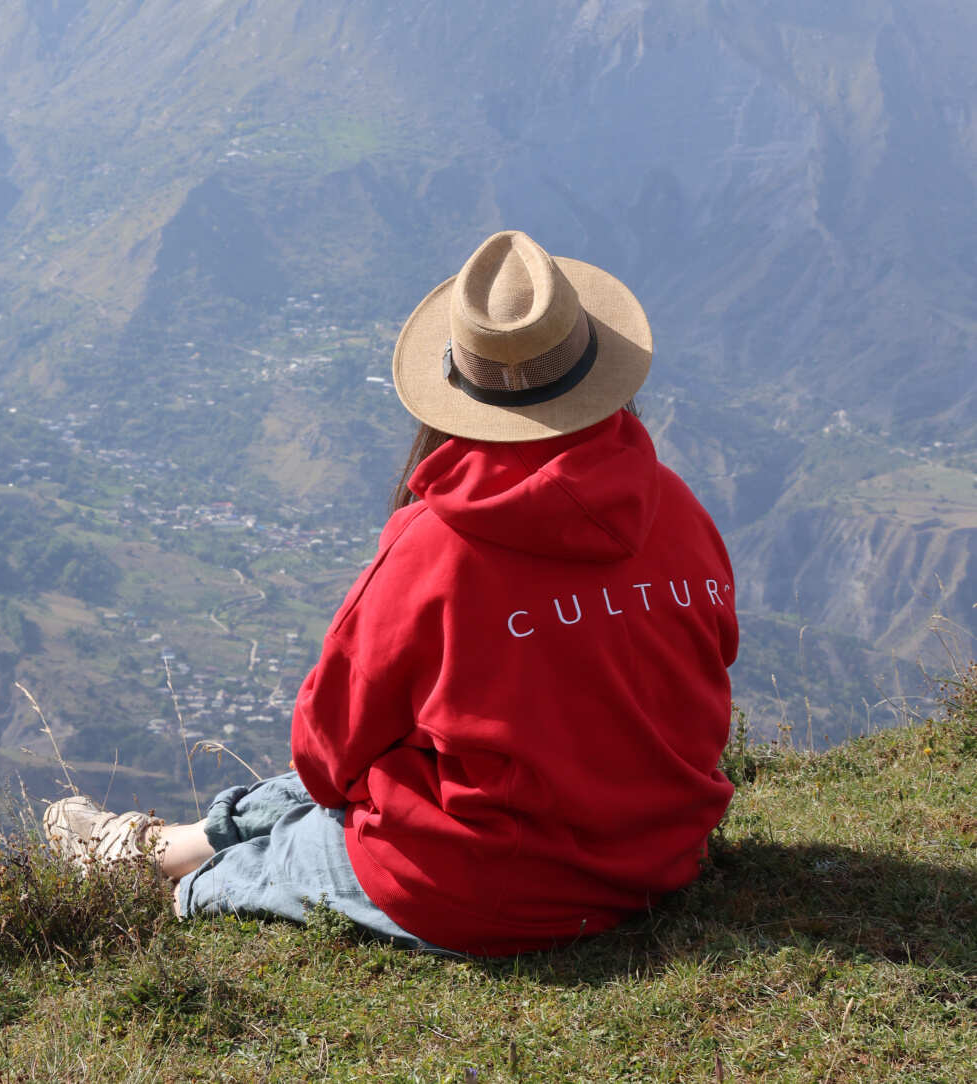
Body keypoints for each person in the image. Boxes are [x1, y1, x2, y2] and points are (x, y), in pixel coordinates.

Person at [45, 230, 738, 956]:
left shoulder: (431, 545)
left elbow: (327, 758)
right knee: (337, 789)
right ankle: (160, 841)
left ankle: (155, 865)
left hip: (485, 888)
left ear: (457, 384)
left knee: (267, 855)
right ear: (593, 365)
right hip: (656, 860)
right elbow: (703, 668)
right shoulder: (674, 506)